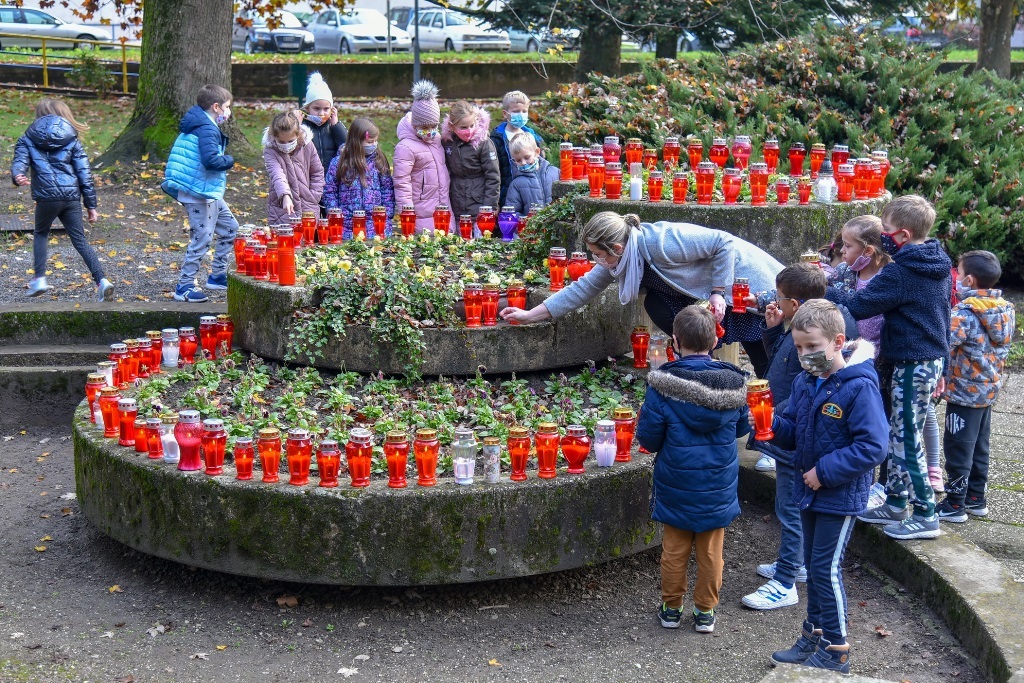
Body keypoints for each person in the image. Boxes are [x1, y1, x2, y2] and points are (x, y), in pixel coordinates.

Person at [499, 212, 783, 378]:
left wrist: (718, 292)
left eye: (598, 254)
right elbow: (581, 289)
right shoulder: (621, 261)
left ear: (616, 248)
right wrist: (529, 315)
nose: (596, 260)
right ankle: (699, 366)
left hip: (743, 283)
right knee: (657, 303)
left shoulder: (660, 242)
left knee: (762, 352)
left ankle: (774, 422)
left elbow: (723, 242)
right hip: (710, 295)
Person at [765, 300, 888, 674]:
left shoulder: (859, 386)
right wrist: (767, 425)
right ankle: (813, 635)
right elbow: (792, 431)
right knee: (815, 567)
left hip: (838, 493)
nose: (805, 355)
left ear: (837, 341)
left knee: (825, 568)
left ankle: (837, 648)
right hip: (810, 492)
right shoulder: (806, 383)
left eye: (812, 347)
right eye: (799, 348)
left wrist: (826, 471)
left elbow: (873, 445)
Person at [742, 263, 859, 612]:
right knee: (791, 507)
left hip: (798, 440)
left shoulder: (814, 347)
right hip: (792, 433)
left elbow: (801, 389)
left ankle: (786, 581)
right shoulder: (810, 331)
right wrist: (773, 331)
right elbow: (780, 364)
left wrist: (778, 420)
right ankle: (796, 563)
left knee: (790, 508)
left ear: (794, 302)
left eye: (780, 299)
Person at [635, 305, 751, 634]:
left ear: (675, 341)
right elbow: (742, 427)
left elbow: (649, 438)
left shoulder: (662, 385)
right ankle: (705, 612)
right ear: (715, 340)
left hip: (676, 481)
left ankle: (671, 609)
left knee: (674, 551)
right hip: (718, 483)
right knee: (712, 552)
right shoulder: (734, 382)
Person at [844, 195, 952, 540]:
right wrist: (945, 366)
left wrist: (820, 292)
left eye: (886, 230)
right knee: (900, 432)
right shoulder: (937, 262)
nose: (883, 236)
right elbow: (943, 319)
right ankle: (894, 500)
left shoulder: (902, 271)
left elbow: (861, 305)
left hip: (913, 362)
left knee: (907, 439)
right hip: (930, 359)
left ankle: (925, 513)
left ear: (902, 235)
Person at [936, 250, 1015, 523]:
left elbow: (944, 345)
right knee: (980, 446)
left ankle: (955, 504)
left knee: (958, 446)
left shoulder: (964, 313)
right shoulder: (1005, 309)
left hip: (964, 394)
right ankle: (975, 498)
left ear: (968, 279)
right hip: (988, 390)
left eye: (957, 273)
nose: (955, 278)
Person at [12, 98, 112, 301]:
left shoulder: (27, 138)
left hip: (47, 198)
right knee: (80, 240)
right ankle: (102, 281)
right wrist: (91, 206)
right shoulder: (72, 139)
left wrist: (17, 175)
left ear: (39, 115)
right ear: (63, 114)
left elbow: (20, 161)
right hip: (71, 198)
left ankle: (39, 278)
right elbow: (85, 174)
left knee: (41, 233)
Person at [161, 84, 238, 303]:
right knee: (202, 237)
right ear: (216, 107)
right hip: (198, 191)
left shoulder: (201, 123)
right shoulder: (206, 128)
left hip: (206, 189)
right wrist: (229, 160)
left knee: (230, 228)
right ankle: (184, 286)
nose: (228, 112)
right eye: (227, 107)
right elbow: (211, 160)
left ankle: (217, 276)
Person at [393, 80, 451, 234]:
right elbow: (402, 182)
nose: (430, 131)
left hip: (443, 208)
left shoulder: (437, 139)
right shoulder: (405, 147)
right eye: (425, 127)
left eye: (433, 126)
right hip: (420, 213)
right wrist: (407, 213)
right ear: (415, 125)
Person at [324, 117, 395, 239]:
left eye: (375, 141)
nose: (373, 145)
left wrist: (386, 215)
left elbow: (387, 189)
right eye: (369, 142)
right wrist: (335, 214)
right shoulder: (339, 162)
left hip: (376, 225)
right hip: (346, 226)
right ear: (356, 141)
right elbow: (330, 190)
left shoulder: (379, 161)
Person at [440, 101, 499, 230]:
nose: (469, 130)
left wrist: (490, 207)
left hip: (479, 202)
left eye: (472, 125)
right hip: (456, 201)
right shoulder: (447, 143)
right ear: (452, 126)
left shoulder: (484, 143)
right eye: (463, 127)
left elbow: (493, 176)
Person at [262, 111, 324, 227]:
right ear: (274, 137)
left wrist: (314, 195)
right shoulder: (270, 151)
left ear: (298, 135)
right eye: (281, 142)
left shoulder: (308, 145)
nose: (286, 145)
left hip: (308, 206)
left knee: (310, 242)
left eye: (290, 141)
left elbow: (317, 172)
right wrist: (285, 195)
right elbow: (277, 174)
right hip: (282, 208)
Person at [490, 90, 544, 206]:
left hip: (530, 192)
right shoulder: (496, 139)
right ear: (505, 114)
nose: (521, 114)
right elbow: (494, 172)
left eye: (524, 111)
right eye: (516, 111)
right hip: (506, 194)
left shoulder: (532, 137)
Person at [298, 71, 348, 179]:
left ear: (332, 109)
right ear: (307, 108)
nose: (321, 113)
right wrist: (297, 124)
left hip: (331, 177)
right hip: (309, 177)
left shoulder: (333, 127)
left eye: (326, 109)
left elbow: (346, 144)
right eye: (316, 109)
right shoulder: (303, 127)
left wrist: (336, 125)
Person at [505, 133, 558, 216]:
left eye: (527, 157)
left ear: (537, 152)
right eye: (518, 160)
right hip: (532, 227)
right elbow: (512, 214)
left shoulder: (555, 172)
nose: (523, 162)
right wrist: (526, 222)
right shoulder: (516, 184)